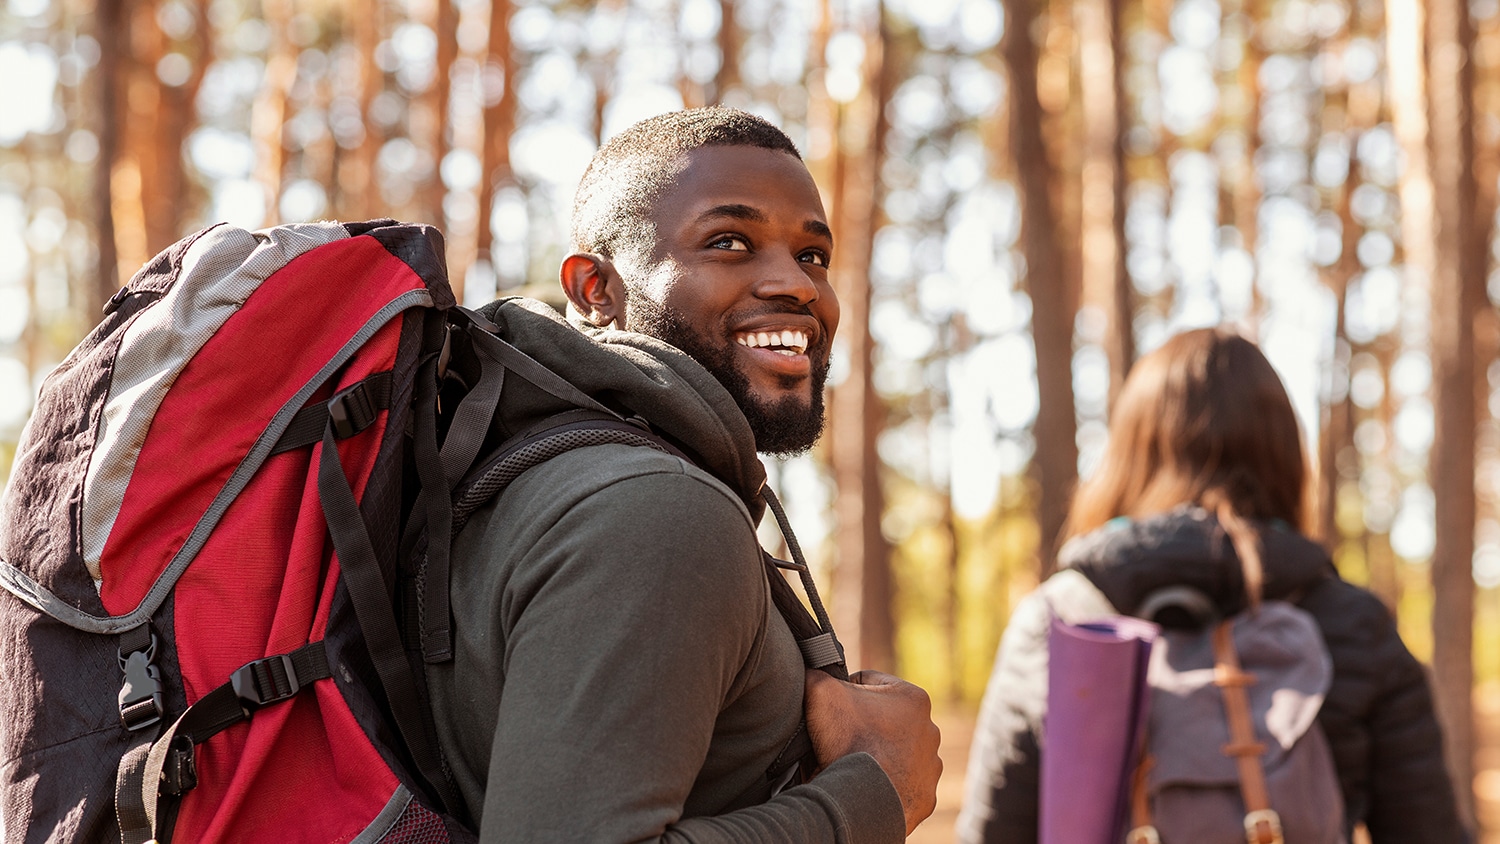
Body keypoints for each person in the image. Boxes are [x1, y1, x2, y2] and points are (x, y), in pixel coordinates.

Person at [425, 107, 942, 841]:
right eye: (729, 242)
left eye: (812, 255)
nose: (795, 285)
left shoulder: (556, 476)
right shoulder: (652, 512)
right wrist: (871, 793)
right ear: (595, 290)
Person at [956, 328, 1466, 843]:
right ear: (1285, 457)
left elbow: (991, 834)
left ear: (1130, 454)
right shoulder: (1351, 624)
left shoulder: (1061, 619)